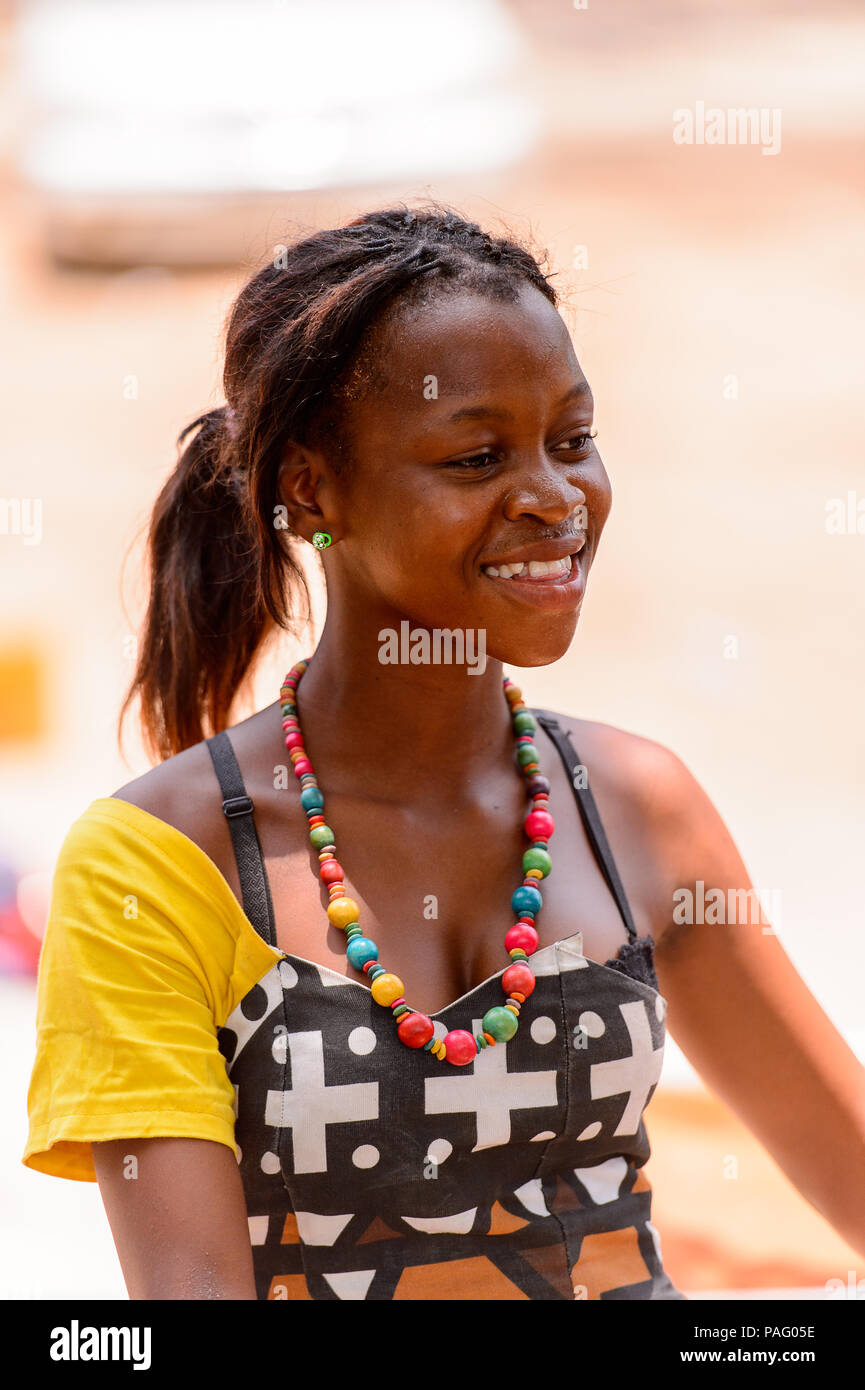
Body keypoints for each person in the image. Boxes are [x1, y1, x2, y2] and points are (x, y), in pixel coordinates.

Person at [22, 203, 865, 1301]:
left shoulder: (635, 806)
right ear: (313, 490)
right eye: (477, 456)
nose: (555, 499)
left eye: (573, 440)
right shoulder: (153, 866)